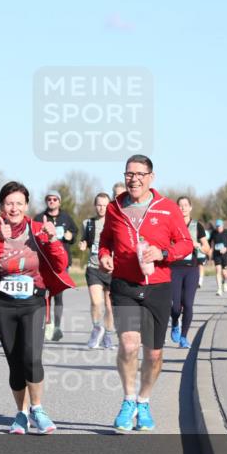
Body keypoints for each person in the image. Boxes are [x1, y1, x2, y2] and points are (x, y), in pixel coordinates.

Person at [99, 155, 192, 432]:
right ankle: (128, 399)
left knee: (153, 354)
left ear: (151, 177)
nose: (134, 179)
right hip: (125, 286)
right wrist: (105, 255)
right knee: (128, 345)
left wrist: (163, 253)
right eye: (129, 174)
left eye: (140, 174)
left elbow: (185, 243)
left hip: (158, 286)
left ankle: (144, 401)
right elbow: (105, 239)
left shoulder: (167, 208)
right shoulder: (115, 208)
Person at [0, 181, 75, 434]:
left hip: (34, 301)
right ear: (1, 206)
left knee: (32, 358)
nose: (14, 208)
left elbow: (60, 262)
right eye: (9, 203)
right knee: (15, 362)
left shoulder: (38, 230)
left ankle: (38, 408)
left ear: (26, 206)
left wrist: (53, 238)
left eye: (19, 203)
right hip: (3, 304)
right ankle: (21, 414)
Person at [34, 190, 78, 341]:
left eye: (54, 199)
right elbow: (33, 237)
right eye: (49, 199)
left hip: (61, 263)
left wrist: (70, 236)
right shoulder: (39, 218)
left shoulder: (66, 217)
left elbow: (74, 233)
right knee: (44, 295)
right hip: (44, 263)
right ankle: (47, 324)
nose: (52, 201)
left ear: (59, 202)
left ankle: (57, 326)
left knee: (58, 295)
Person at [169, 196, 212, 349]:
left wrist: (197, 245)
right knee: (175, 307)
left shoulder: (197, 226)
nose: (183, 208)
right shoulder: (171, 224)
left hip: (191, 269)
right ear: (176, 208)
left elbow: (207, 249)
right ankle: (174, 322)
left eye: (186, 205)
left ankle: (184, 337)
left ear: (191, 207)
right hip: (174, 268)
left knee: (188, 304)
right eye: (180, 205)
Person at [79, 192, 116, 349]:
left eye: (105, 205)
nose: (101, 208)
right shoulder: (88, 223)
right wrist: (82, 244)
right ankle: (96, 328)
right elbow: (85, 240)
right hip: (94, 267)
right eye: (99, 205)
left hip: (112, 270)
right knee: (96, 302)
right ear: (95, 205)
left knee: (109, 306)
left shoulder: (115, 223)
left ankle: (108, 335)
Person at [209, 219, 227, 296]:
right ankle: (219, 289)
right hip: (217, 254)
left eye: (220, 226)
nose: (218, 228)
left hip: (225, 254)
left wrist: (226, 248)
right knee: (218, 270)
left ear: (222, 226)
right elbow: (209, 241)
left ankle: (224, 282)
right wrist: (210, 250)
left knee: (225, 273)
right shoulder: (213, 233)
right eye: (217, 226)